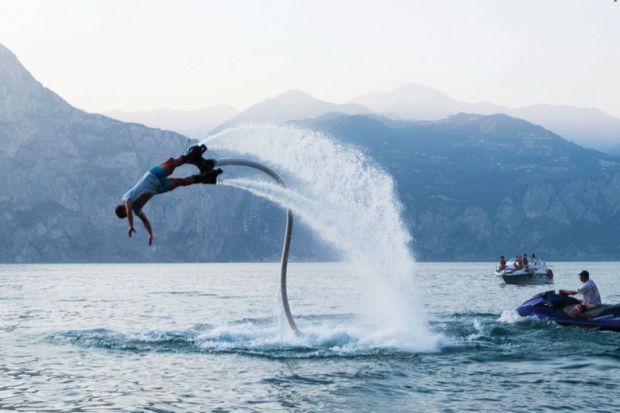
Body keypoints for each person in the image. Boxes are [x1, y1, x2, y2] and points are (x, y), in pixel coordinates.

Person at [115, 145, 222, 246]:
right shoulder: (136, 209)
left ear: (123, 208)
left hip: (152, 175)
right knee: (181, 182)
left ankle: (190, 156)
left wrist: (130, 226)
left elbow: (129, 210)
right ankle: (203, 177)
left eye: (126, 213)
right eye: (127, 215)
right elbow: (144, 220)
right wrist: (150, 234)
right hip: (158, 188)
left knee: (172, 165)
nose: (129, 214)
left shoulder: (125, 198)